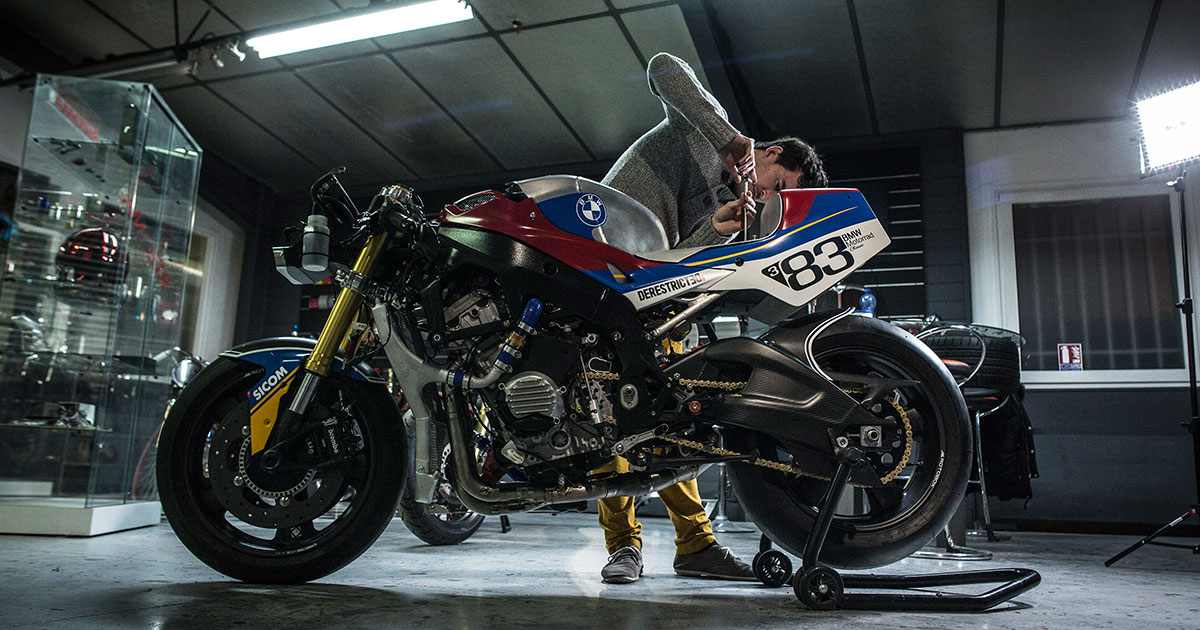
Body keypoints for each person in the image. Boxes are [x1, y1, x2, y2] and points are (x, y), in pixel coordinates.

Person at [594, 52, 829, 585]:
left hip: (654, 303)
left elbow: (675, 263)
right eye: (778, 184)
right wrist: (728, 139)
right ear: (769, 152)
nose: (768, 198)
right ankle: (623, 547)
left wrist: (718, 233)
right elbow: (662, 68)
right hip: (602, 270)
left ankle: (696, 545)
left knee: (674, 417)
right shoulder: (705, 128)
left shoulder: (737, 209)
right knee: (609, 417)